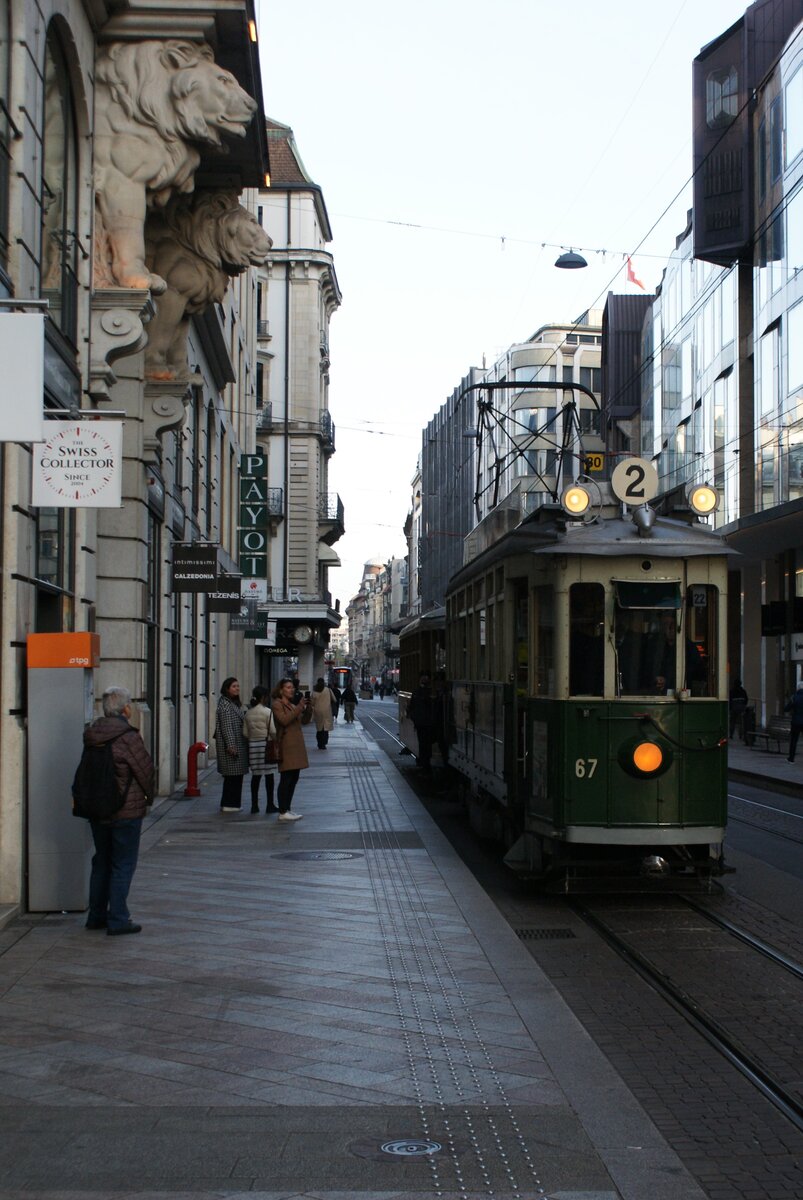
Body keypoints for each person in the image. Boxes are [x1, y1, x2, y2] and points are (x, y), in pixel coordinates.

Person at [84, 685, 155, 936]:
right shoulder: (128, 736)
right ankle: (118, 919)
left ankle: (96, 916)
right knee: (122, 864)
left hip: (98, 809)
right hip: (126, 811)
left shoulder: (93, 734)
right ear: (125, 708)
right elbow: (145, 770)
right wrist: (149, 797)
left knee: (101, 861)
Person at [271, 677, 310, 820]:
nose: (291, 689)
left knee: (294, 778)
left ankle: (287, 808)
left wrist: (308, 708)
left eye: (292, 687)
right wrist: (299, 707)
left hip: (296, 746)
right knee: (286, 778)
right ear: (281, 690)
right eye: (288, 687)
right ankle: (282, 811)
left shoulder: (293, 705)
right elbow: (284, 720)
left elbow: (304, 721)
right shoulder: (277, 704)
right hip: (286, 746)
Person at [214, 677, 249, 811]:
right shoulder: (225, 705)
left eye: (238, 686)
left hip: (238, 744)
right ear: (227, 688)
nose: (237, 688)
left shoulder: (232, 703)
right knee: (232, 777)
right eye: (234, 686)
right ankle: (229, 803)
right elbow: (227, 727)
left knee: (235, 776)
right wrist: (231, 745)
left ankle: (232, 803)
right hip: (232, 747)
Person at [243, 685, 279, 813]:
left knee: (256, 776)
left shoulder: (248, 713)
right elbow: (273, 731)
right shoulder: (267, 712)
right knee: (269, 776)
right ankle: (270, 804)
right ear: (264, 697)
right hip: (266, 745)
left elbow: (245, 733)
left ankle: (254, 805)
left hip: (253, 746)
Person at [407, 672, 435, 769]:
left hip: (424, 723)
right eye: (423, 679)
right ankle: (425, 762)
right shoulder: (424, 692)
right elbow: (411, 706)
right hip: (423, 723)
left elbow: (411, 707)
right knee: (424, 743)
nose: (424, 681)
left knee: (424, 743)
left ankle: (424, 762)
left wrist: (413, 717)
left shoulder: (420, 692)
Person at [311, 677, 337, 749]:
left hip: (318, 711)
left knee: (319, 728)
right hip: (327, 711)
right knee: (325, 728)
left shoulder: (315, 691)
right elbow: (334, 699)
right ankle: (324, 743)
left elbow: (312, 703)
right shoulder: (328, 690)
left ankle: (319, 743)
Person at [784, 680, 803, 762]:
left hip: (796, 722)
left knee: (794, 740)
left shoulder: (794, 697)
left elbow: (786, 709)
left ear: (797, 688)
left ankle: (791, 758)